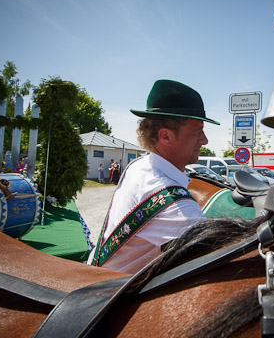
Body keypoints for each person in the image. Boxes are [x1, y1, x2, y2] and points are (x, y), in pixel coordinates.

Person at [88, 79, 219, 273]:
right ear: (165, 136)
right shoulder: (172, 202)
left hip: (99, 277)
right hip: (117, 296)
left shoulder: (138, 165)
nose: (205, 140)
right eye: (198, 131)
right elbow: (218, 257)